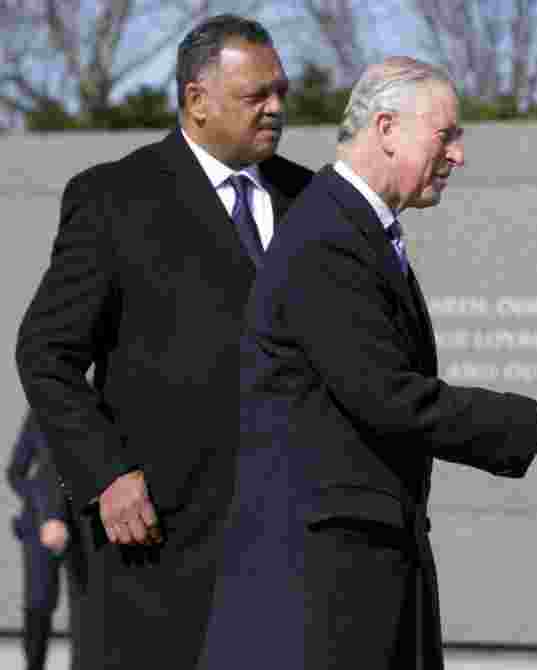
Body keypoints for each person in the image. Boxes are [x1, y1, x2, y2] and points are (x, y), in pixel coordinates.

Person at [200, 56, 537, 670]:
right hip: (320, 601)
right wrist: (530, 425)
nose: (459, 155)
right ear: (386, 128)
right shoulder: (326, 238)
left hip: (362, 578)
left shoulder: (352, 230)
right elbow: (389, 396)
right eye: (447, 134)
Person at [15, 14, 313, 669]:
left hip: (294, 544)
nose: (276, 108)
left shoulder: (313, 202)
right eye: (256, 95)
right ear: (196, 100)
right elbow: (46, 351)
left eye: (282, 92)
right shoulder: (115, 198)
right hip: (158, 546)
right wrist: (105, 475)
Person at [6, 411, 80, 670]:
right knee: (38, 603)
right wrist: (41, 502)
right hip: (39, 526)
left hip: (83, 525)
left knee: (86, 607)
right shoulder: (40, 413)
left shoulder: (97, 407)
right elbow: (15, 472)